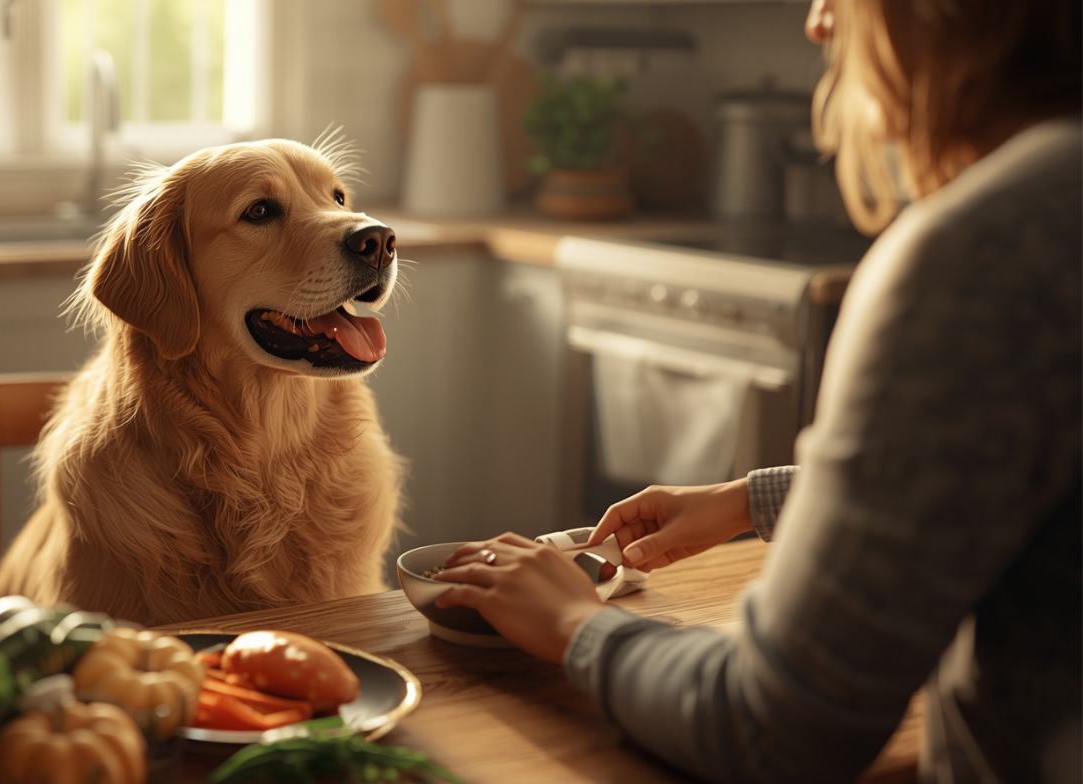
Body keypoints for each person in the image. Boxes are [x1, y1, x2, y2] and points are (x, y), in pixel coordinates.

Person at [433, 1, 1081, 782]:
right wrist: (754, 499)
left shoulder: (983, 252)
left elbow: (772, 731)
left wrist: (571, 624)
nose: (816, 22)